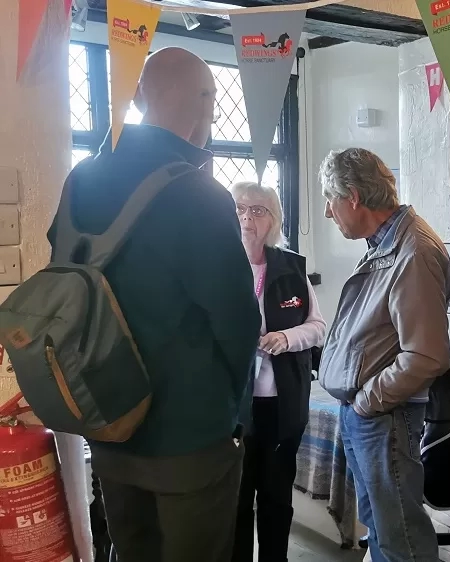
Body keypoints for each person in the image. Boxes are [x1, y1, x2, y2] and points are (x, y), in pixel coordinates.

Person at [48, 47, 261, 561]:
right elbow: (238, 324)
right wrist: (232, 413)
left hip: (108, 424)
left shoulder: (81, 180)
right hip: (188, 436)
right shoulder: (198, 194)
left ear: (141, 97)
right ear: (208, 102)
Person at [317, 148, 450, 562]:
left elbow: (427, 356)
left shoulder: (413, 251)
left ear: (354, 197)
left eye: (330, 199)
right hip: (371, 416)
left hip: (385, 417)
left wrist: (365, 402)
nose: (328, 212)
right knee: (381, 529)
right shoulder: (388, 243)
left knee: (400, 540)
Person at [229, 181, 326, 562]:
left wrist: (285, 338)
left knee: (275, 496)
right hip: (234, 408)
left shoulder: (290, 267)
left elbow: (317, 327)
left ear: (274, 220)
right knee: (237, 500)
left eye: (257, 209)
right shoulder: (219, 265)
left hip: (282, 405)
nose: (246, 217)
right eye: (239, 208)